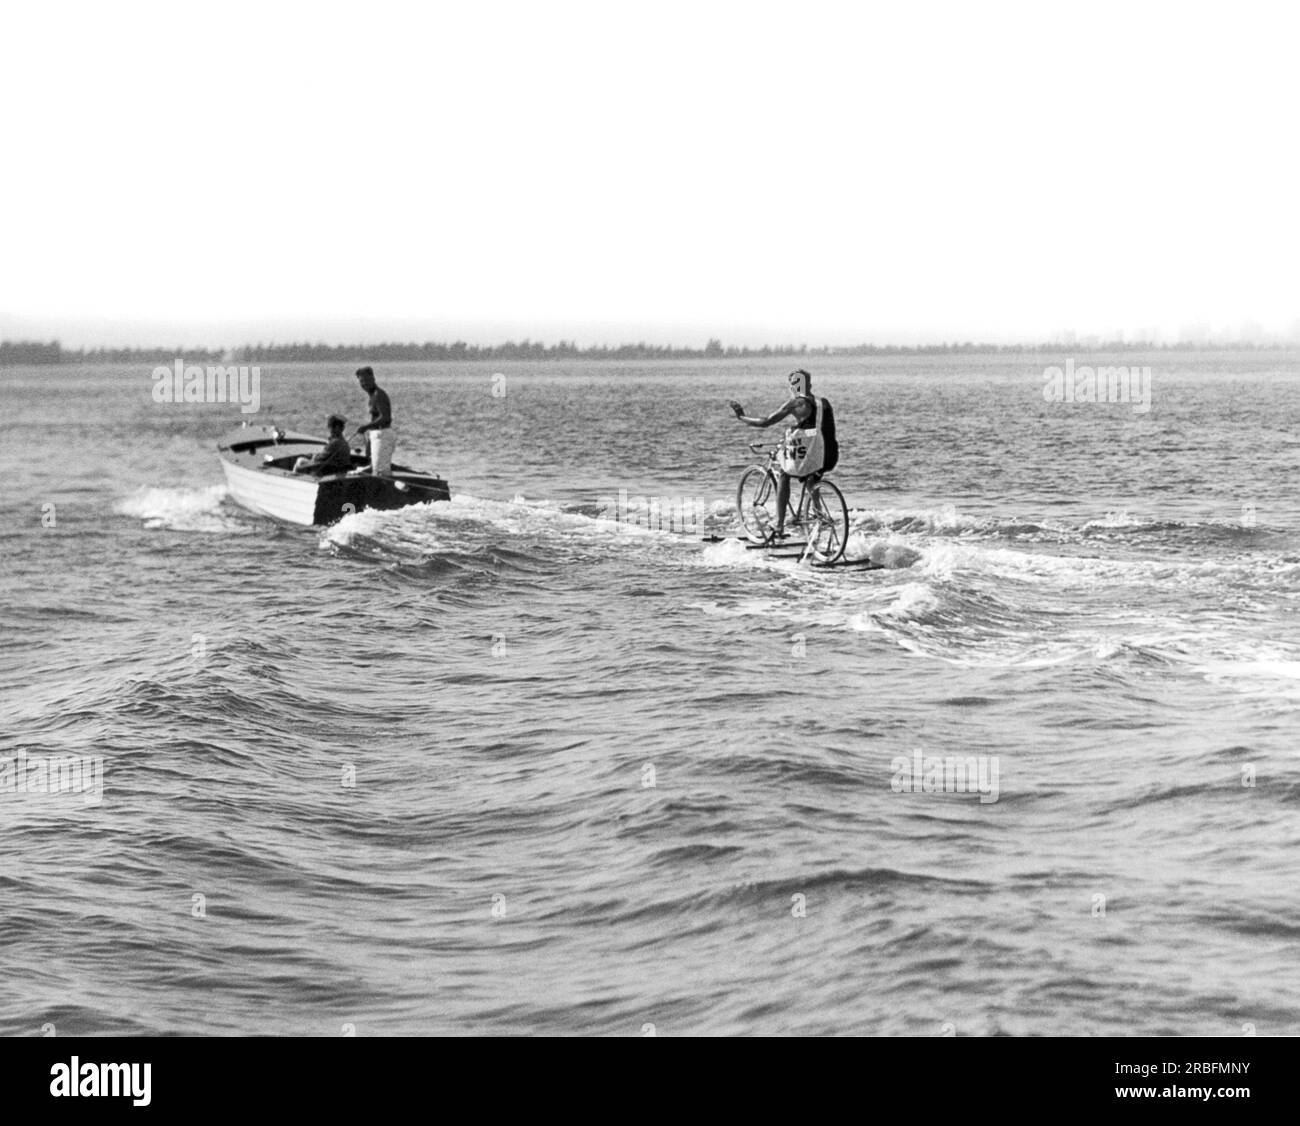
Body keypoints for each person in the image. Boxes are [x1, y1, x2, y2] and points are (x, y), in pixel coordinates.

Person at [729, 369, 838, 539]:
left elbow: (765, 422)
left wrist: (742, 417)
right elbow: (818, 429)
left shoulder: (795, 403)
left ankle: (779, 526)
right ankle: (819, 515)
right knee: (812, 478)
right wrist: (799, 429)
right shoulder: (823, 403)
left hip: (813, 452)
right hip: (830, 454)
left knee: (784, 474)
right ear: (809, 384)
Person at [353, 365, 395, 475]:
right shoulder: (372, 396)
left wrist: (365, 427)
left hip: (383, 434)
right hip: (376, 434)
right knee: (373, 466)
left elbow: (385, 417)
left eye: (367, 380)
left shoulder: (379, 395)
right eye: (361, 381)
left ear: (373, 378)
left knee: (381, 472)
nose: (364, 383)